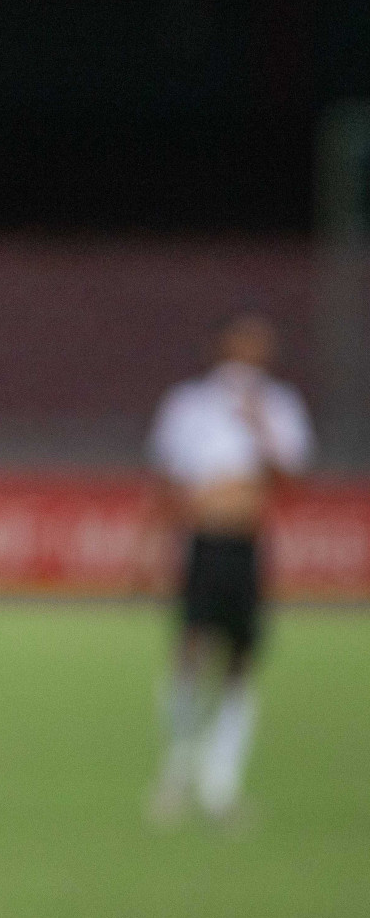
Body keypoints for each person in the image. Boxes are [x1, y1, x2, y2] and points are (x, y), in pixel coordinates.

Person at [143, 314, 313, 824]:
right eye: (243, 339)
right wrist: (151, 546)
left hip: (246, 544)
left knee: (240, 660)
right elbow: (169, 480)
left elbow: (291, 479)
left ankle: (221, 782)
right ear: (223, 345)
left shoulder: (279, 405)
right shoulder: (190, 403)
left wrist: (261, 429)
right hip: (204, 541)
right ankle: (176, 769)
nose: (251, 350)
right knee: (190, 650)